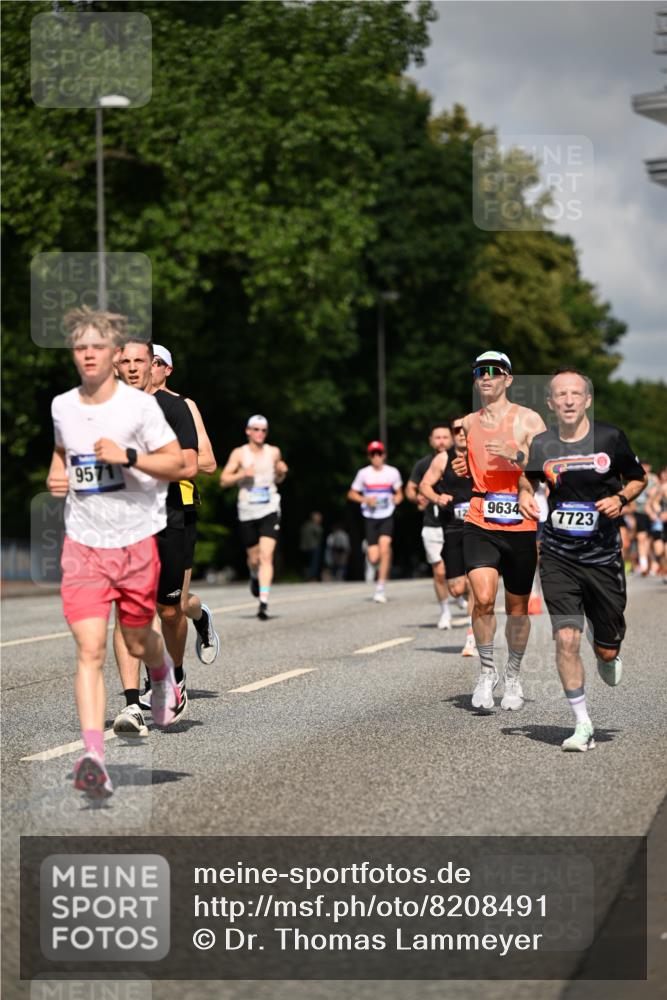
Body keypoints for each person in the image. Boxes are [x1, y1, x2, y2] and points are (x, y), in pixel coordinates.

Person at [47, 308, 186, 797]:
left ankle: (164, 672)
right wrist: (56, 476)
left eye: (96, 347)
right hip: (83, 546)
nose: (87, 355)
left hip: (135, 542)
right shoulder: (63, 406)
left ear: (112, 356)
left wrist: (126, 456)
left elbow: (179, 465)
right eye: (79, 348)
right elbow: (62, 459)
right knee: (89, 649)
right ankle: (93, 758)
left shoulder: (142, 409)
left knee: (137, 636)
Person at [519, 367, 647, 751]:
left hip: (603, 555)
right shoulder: (542, 444)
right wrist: (526, 493)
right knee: (565, 638)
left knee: (607, 649)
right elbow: (528, 478)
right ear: (551, 403)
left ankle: (606, 646)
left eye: (576, 394)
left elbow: (638, 478)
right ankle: (582, 723)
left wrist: (621, 499)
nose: (569, 400)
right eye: (561, 395)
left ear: (588, 399)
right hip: (558, 555)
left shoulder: (610, 437)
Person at [111, 340, 217, 740]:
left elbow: (197, 463)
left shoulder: (177, 408)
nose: (139, 367)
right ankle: (131, 703)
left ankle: (175, 674)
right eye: (130, 361)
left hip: (174, 515)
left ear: (160, 367)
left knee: (170, 610)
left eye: (146, 361)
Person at [455, 351, 547, 711]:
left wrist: (517, 455)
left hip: (519, 522)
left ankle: (513, 675)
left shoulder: (529, 420)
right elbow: (469, 463)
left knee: (518, 607)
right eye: (480, 371)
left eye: (495, 371)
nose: (486, 377)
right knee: (481, 598)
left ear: (508, 379)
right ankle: (486, 672)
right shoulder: (468, 422)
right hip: (479, 517)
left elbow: (548, 468)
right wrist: (463, 466)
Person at [149, 344, 220, 663]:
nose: (148, 367)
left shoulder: (183, 406)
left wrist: (164, 460)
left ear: (168, 370)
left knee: (177, 605)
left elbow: (208, 462)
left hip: (180, 508)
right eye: (142, 361)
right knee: (147, 602)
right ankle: (157, 680)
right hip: (142, 511)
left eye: (156, 362)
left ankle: (200, 615)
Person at [219, 415, 288, 619]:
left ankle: (263, 603)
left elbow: (278, 478)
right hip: (247, 509)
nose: (260, 433)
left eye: (263, 430)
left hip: (270, 507)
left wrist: (282, 472)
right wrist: (242, 475)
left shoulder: (273, 452)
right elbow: (223, 480)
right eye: (256, 429)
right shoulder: (239, 453)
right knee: (255, 558)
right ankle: (253, 575)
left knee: (267, 556)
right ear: (248, 431)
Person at [419, 417, 477, 655]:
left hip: (478, 527)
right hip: (452, 527)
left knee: (476, 581)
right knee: (456, 587)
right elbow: (424, 485)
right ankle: (465, 599)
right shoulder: (443, 458)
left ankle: (473, 636)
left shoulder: (480, 454)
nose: (462, 433)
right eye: (457, 430)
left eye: (466, 429)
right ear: (453, 434)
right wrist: (436, 498)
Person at [406, 424, 454, 629]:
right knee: (440, 572)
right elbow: (410, 488)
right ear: (431, 441)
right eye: (437, 437)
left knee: (463, 574)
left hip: (457, 523)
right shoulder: (423, 464)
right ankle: (445, 611)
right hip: (432, 524)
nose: (441, 441)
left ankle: (464, 600)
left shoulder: (461, 461)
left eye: (445, 437)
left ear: (451, 439)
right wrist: (417, 498)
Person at [348, 441, 404, 603]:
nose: (376, 457)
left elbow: (399, 493)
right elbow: (352, 494)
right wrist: (365, 499)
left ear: (384, 455)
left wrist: (397, 499)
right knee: (373, 558)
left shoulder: (392, 472)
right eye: (373, 454)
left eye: (379, 453)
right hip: (370, 517)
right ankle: (382, 557)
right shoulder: (363, 473)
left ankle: (380, 587)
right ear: (369, 456)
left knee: (385, 546)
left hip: (386, 514)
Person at [299, 512, 324, 581]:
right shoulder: (315, 525)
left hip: (304, 547)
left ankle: (305, 577)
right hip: (314, 547)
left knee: (307, 564)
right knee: (314, 563)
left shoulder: (305, 525)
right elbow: (320, 533)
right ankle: (312, 578)